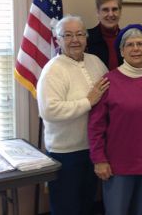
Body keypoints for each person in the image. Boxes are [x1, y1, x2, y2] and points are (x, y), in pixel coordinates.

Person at [88, 24, 142, 215]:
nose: (135, 49)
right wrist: (99, 160)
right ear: (121, 50)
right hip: (117, 167)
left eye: (140, 44)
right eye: (129, 45)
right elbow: (95, 126)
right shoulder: (108, 82)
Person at [36, 15, 110, 215]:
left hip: (94, 149)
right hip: (66, 153)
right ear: (58, 40)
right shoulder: (53, 70)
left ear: (86, 38)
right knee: (66, 208)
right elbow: (49, 111)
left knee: (87, 204)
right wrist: (88, 102)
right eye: (67, 35)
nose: (74, 40)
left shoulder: (96, 62)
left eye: (79, 34)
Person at [87, 0, 123, 70]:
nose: (110, 14)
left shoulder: (128, 39)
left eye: (114, 9)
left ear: (120, 12)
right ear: (97, 12)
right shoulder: (86, 39)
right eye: (105, 10)